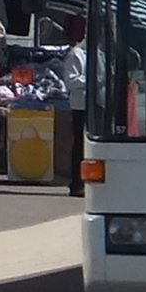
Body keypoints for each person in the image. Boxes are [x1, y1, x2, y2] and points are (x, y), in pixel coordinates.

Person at [62, 14, 87, 197]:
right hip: (80, 105)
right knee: (79, 144)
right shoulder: (76, 54)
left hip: (94, 105)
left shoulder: (97, 54)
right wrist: (92, 80)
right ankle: (76, 183)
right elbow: (70, 81)